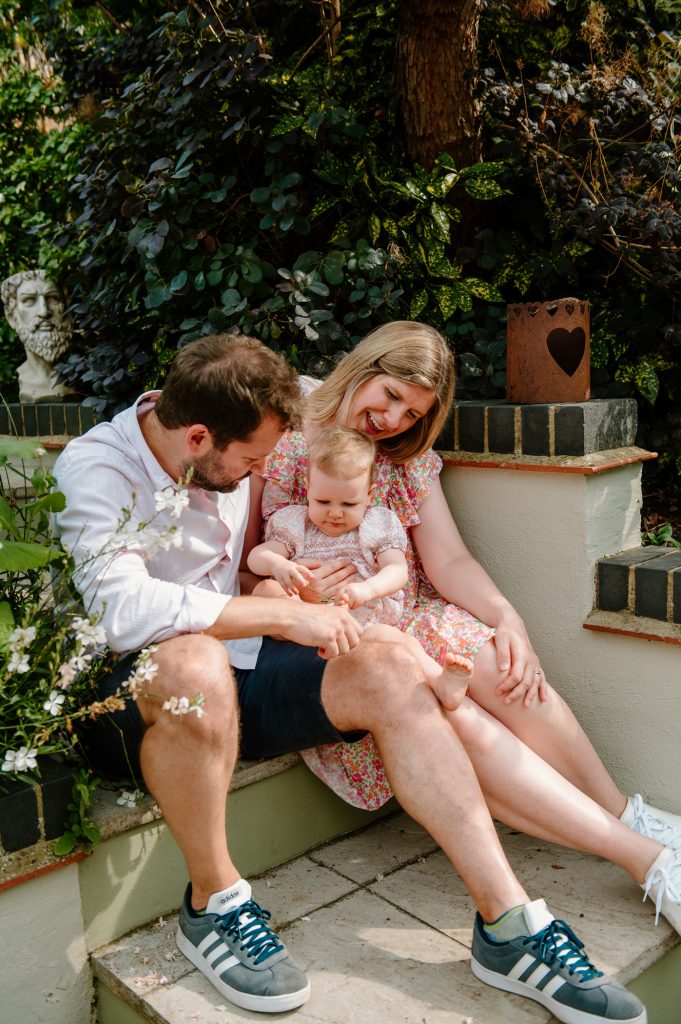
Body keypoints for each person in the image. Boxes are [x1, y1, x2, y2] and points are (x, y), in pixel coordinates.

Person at [53, 331, 678, 1024]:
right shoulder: (97, 465)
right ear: (198, 436)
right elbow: (119, 608)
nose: (262, 474)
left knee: (391, 659)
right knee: (193, 654)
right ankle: (215, 903)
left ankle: (509, 925)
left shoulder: (242, 435)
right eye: (256, 463)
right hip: (146, 686)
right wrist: (286, 612)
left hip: (253, 666)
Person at [248, 425, 473, 709]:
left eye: (349, 502)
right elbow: (256, 557)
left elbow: (397, 570)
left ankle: (440, 682)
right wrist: (277, 563)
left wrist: (367, 589)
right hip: (304, 621)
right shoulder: (295, 522)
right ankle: (304, 641)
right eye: (323, 501)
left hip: (361, 625)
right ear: (307, 488)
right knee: (265, 588)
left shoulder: (376, 524)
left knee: (396, 641)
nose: (335, 512)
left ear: (369, 495)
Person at [1, 269, 74, 402]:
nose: (44, 311)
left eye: (52, 298)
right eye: (29, 300)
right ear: (11, 316)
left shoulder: (80, 376)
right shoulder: (25, 381)